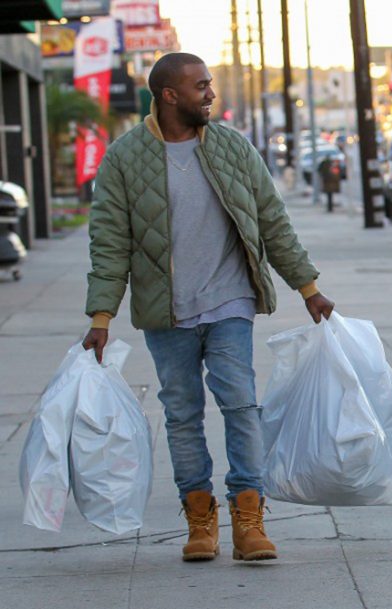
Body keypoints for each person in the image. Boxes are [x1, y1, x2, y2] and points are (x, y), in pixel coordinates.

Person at [82, 53, 334, 563]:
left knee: (240, 403)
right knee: (181, 414)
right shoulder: (125, 158)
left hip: (229, 301)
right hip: (165, 311)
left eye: (210, 84)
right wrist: (100, 317)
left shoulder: (231, 147)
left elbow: (272, 221)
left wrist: (307, 288)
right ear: (169, 95)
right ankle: (200, 518)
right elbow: (108, 242)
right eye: (201, 87)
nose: (210, 94)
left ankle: (248, 516)